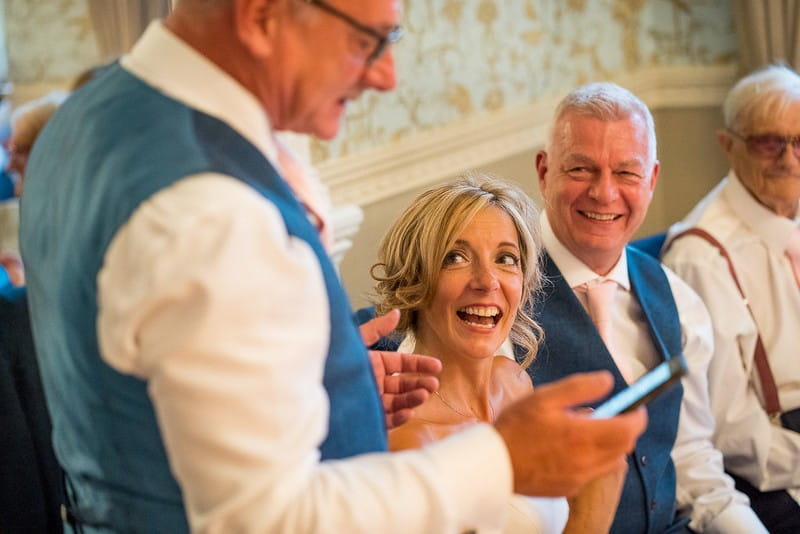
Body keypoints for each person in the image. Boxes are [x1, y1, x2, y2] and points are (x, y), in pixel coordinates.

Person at [20, 1, 646, 532]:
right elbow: (270, 520)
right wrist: (502, 462)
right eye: (366, 40)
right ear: (261, 14)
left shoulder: (83, 123)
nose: (387, 76)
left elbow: (154, 385)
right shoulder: (213, 210)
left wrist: (324, 386)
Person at [530, 81, 767, 533]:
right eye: (581, 169)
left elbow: (692, 460)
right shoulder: (494, 298)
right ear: (544, 172)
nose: (604, 193)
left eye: (626, 173)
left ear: (652, 180)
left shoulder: (679, 301)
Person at [373, 175, 630, 533]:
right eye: (456, 257)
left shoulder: (512, 380)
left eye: (505, 259)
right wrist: (590, 517)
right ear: (416, 280)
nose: (487, 281)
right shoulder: (408, 443)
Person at [661, 64, 800, 532]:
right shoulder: (701, 257)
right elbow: (733, 431)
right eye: (768, 141)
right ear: (728, 144)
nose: (789, 158)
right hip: (777, 466)